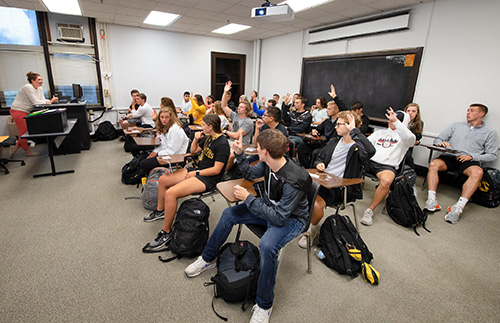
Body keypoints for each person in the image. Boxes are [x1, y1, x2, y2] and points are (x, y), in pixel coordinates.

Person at [184, 129, 311, 323]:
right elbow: (251, 175)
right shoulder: (269, 162)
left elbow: (279, 218)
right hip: (270, 208)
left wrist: (249, 199)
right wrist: (240, 154)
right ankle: (208, 259)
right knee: (229, 214)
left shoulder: (294, 179)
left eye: (258, 147)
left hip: (292, 219)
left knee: (268, 246)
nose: (256, 149)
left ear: (265, 151)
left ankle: (264, 305)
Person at [143, 114, 230, 249]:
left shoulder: (222, 144)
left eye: (204, 125)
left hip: (208, 178)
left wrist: (195, 173)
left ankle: (166, 232)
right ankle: (161, 211)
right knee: (163, 180)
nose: (202, 127)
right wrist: (195, 139)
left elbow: (217, 170)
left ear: (210, 126)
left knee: (171, 193)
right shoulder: (208, 138)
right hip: (198, 170)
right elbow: (193, 151)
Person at [298, 111, 375, 248]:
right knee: (295, 188)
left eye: (339, 124)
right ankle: (299, 221)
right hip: (323, 179)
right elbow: (320, 158)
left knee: (316, 203)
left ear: (349, 126)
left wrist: (354, 130)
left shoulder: (357, 147)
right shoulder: (334, 141)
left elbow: (370, 151)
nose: (335, 127)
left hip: (340, 187)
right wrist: (319, 164)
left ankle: (311, 231)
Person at [425, 104, 499, 224]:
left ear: (482, 114)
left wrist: (472, 156)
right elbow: (438, 139)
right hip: (450, 156)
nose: (468, 113)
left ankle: (458, 208)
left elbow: (492, 155)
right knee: (434, 164)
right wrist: (442, 143)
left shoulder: (490, 133)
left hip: (469, 160)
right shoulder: (456, 125)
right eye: (468, 110)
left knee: (478, 172)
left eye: (472, 111)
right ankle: (431, 200)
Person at [360, 108, 416, 226]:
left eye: (394, 120)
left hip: (386, 166)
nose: (390, 122)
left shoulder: (406, 138)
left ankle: (370, 211)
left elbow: (411, 139)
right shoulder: (380, 133)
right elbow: (365, 144)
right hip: (370, 161)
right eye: (390, 119)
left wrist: (397, 122)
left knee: (386, 181)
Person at [297, 84, 348, 168]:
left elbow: (346, 110)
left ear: (336, 110)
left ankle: (312, 170)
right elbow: (318, 129)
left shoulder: (340, 122)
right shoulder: (327, 121)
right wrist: (314, 131)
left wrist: (335, 97)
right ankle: (306, 168)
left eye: (329, 109)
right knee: (302, 147)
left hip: (332, 147)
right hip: (322, 144)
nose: (327, 110)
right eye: (327, 108)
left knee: (316, 153)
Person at [10, 71, 58, 158]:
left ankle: (15, 147)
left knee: (25, 131)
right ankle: (27, 151)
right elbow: (36, 102)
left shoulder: (39, 88)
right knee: (24, 132)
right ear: (32, 80)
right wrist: (49, 102)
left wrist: (50, 101)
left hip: (27, 110)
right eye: (39, 80)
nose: (41, 81)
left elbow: (42, 100)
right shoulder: (27, 87)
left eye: (42, 79)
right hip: (18, 110)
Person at [139, 101, 189, 175]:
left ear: (171, 118)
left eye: (167, 117)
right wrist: (155, 152)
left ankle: (152, 181)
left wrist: (158, 154)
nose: (164, 120)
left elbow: (173, 150)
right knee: (143, 158)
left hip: (175, 157)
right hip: (167, 154)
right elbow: (163, 144)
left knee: (144, 164)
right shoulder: (165, 127)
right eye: (162, 117)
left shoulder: (175, 129)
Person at [403, 103, 424, 169]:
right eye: (408, 111)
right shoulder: (400, 121)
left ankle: (410, 174)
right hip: (398, 144)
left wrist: (417, 141)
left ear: (417, 113)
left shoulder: (419, 123)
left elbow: (418, 136)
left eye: (413, 111)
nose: (410, 113)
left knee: (407, 156)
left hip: (408, 147)